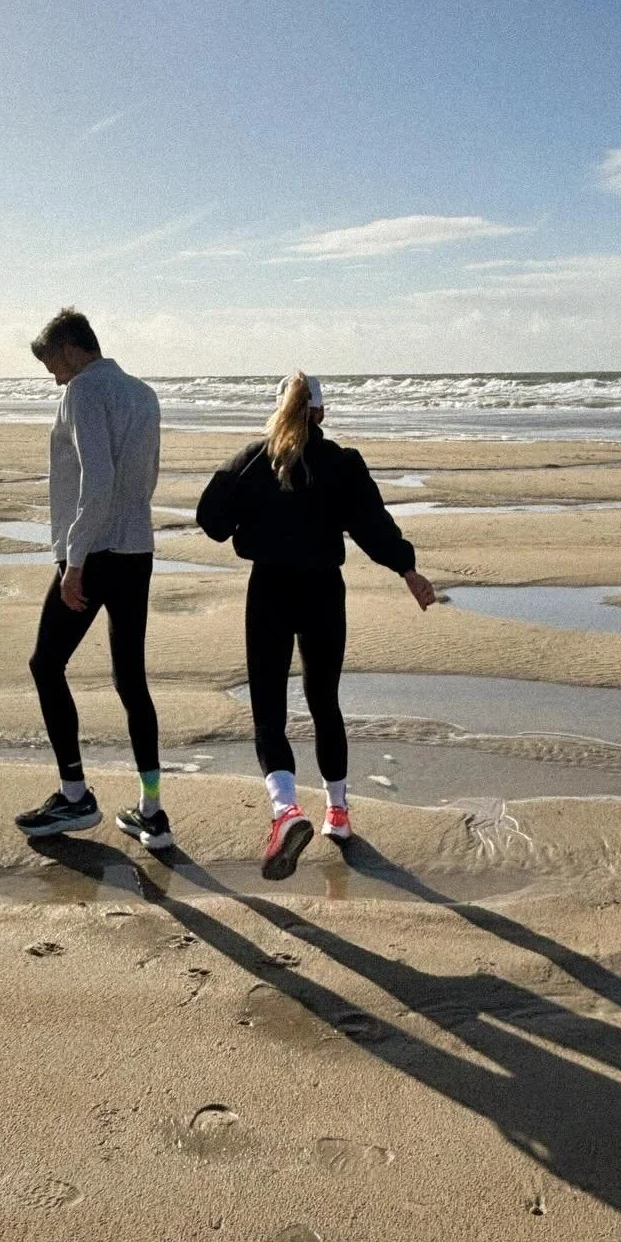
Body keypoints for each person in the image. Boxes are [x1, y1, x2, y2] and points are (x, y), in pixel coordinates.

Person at [196, 371, 436, 879]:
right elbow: (374, 526)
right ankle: (338, 813)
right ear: (322, 414)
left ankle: (285, 811)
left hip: (271, 591)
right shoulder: (342, 463)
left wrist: (249, 518)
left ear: (279, 411)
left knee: (269, 707)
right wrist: (407, 569)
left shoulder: (256, 459)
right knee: (324, 698)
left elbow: (211, 519)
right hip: (325, 590)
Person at [14, 308, 173, 850]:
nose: (53, 376)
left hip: (95, 553)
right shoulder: (144, 393)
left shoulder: (83, 391)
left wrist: (75, 559)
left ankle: (75, 794)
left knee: (46, 664)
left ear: (72, 349)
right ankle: (151, 809)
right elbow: (146, 475)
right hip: (137, 550)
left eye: (53, 364)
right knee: (131, 678)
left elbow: (97, 478)